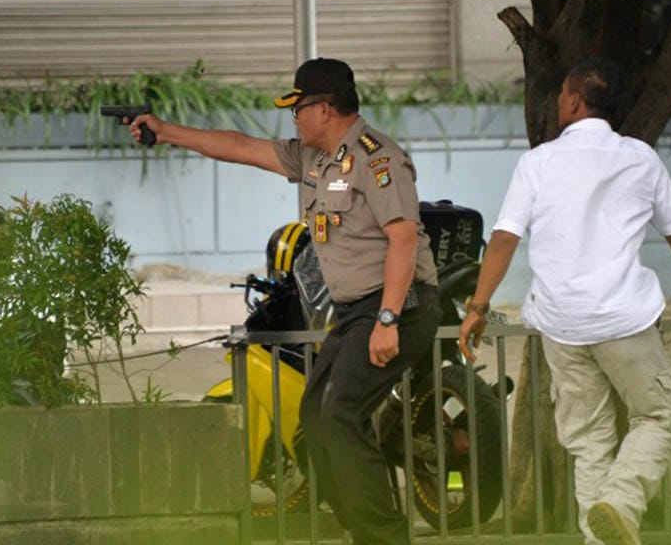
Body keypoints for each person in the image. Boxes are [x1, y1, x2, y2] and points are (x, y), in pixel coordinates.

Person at [129, 57, 440, 545]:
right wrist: (166, 132)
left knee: (339, 413)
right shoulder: (314, 158)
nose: (292, 116)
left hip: (401, 305)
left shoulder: (377, 158)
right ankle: (366, 531)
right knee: (314, 422)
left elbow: (402, 240)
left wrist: (388, 319)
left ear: (325, 108)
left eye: (298, 107)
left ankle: (384, 538)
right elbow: (242, 147)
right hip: (358, 310)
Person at [456, 58, 671, 545]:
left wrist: (477, 308)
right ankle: (618, 504)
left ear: (575, 100)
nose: (557, 101)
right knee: (663, 416)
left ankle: (599, 537)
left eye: (560, 94)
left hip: (561, 325)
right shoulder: (640, 158)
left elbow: (504, 240)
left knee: (589, 443)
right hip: (623, 318)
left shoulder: (538, 163)